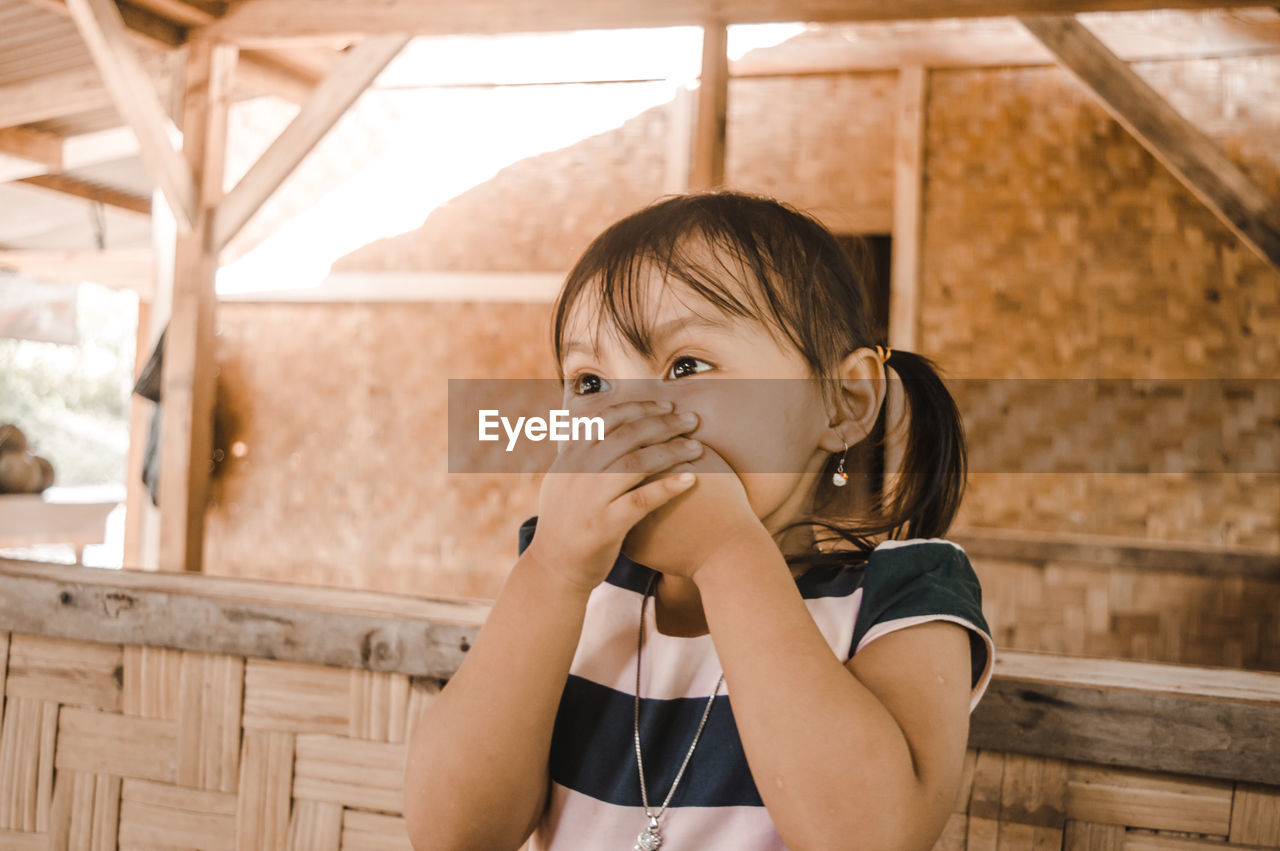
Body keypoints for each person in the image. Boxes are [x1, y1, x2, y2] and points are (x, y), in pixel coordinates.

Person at [404, 191, 995, 851]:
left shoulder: (904, 596)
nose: (625, 421)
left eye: (685, 365)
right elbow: (451, 831)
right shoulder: (573, 585)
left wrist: (727, 552)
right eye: (592, 383)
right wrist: (552, 572)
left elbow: (868, 835)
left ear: (843, 401)